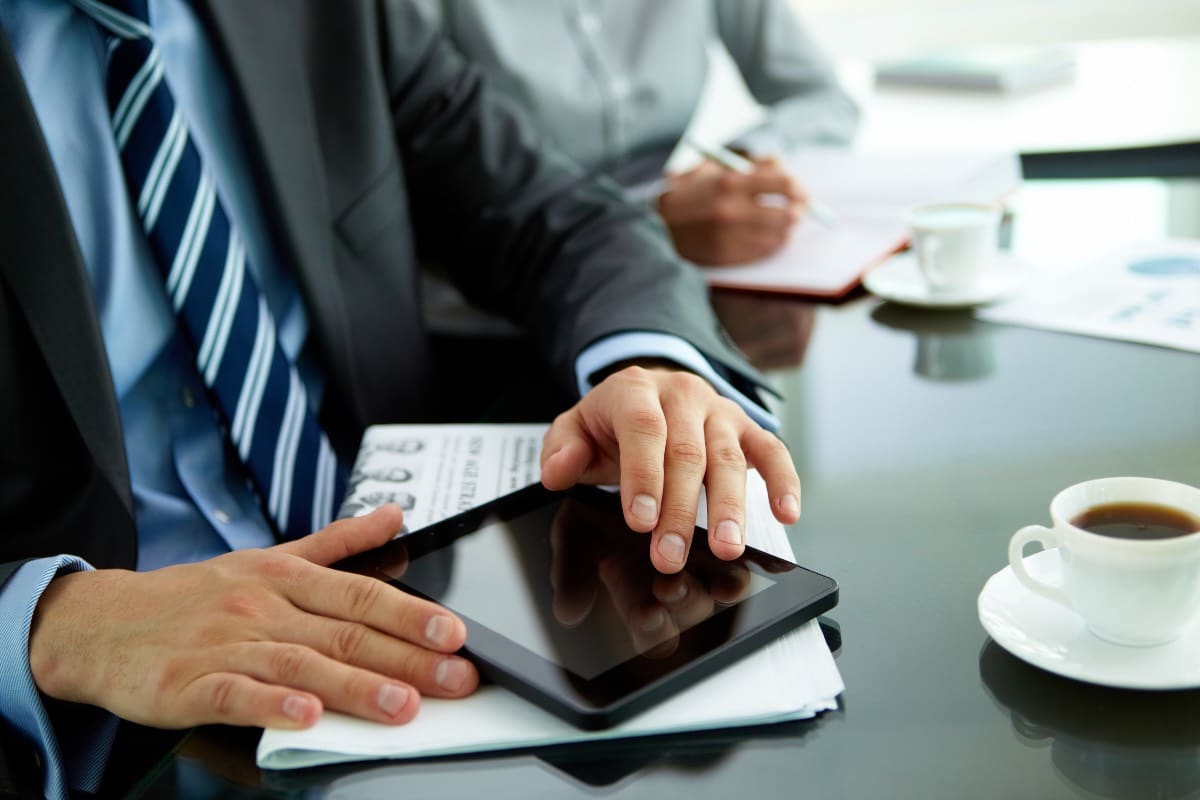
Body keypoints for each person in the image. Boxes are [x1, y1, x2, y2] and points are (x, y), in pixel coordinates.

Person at [0, 2, 802, 797]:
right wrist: (51, 623)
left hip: (416, 572)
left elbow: (548, 209)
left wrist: (649, 359)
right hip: (109, 703)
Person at [413, 0, 860, 267]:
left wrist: (736, 167)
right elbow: (427, 194)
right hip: (496, 299)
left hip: (668, 280)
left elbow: (825, 100)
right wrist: (646, 221)